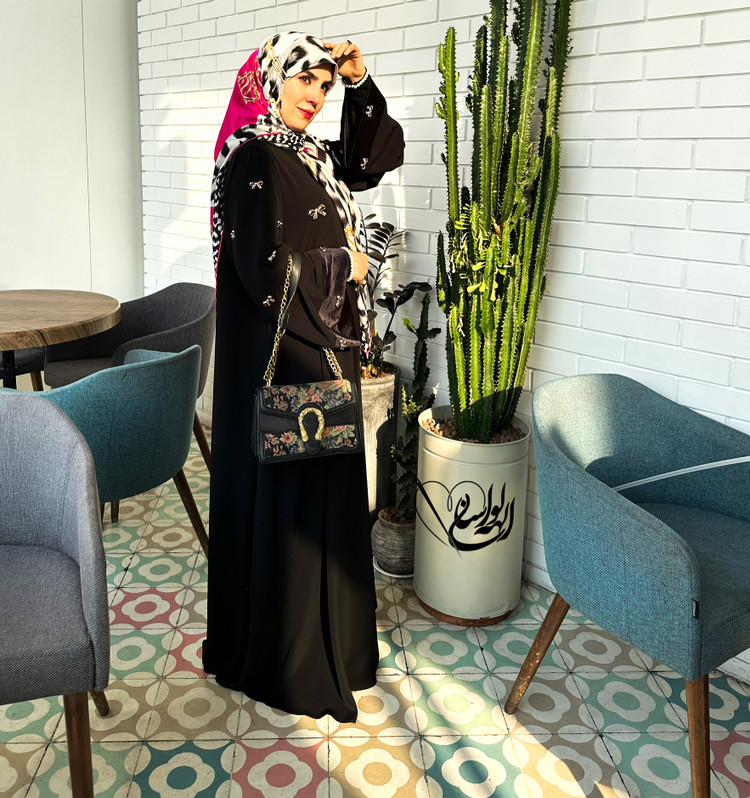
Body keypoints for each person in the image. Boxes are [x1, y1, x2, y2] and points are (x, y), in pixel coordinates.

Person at [204, 31, 405, 723]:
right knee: (292, 510)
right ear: (270, 80)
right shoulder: (253, 156)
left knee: (323, 502)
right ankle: (285, 662)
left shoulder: (310, 154)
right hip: (282, 360)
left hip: (323, 349)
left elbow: (372, 160)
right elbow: (263, 268)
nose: (315, 96)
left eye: (323, 84)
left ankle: (335, 649)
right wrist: (348, 265)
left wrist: (359, 81)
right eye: (304, 80)